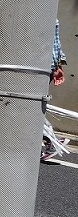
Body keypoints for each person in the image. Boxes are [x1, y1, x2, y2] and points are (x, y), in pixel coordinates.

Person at [42, 19, 69, 161]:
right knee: (32, 107)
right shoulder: (49, 10)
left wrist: (57, 65)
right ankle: (52, 140)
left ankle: (52, 140)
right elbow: (56, 42)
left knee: (27, 107)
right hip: (46, 66)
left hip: (39, 67)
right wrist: (58, 65)